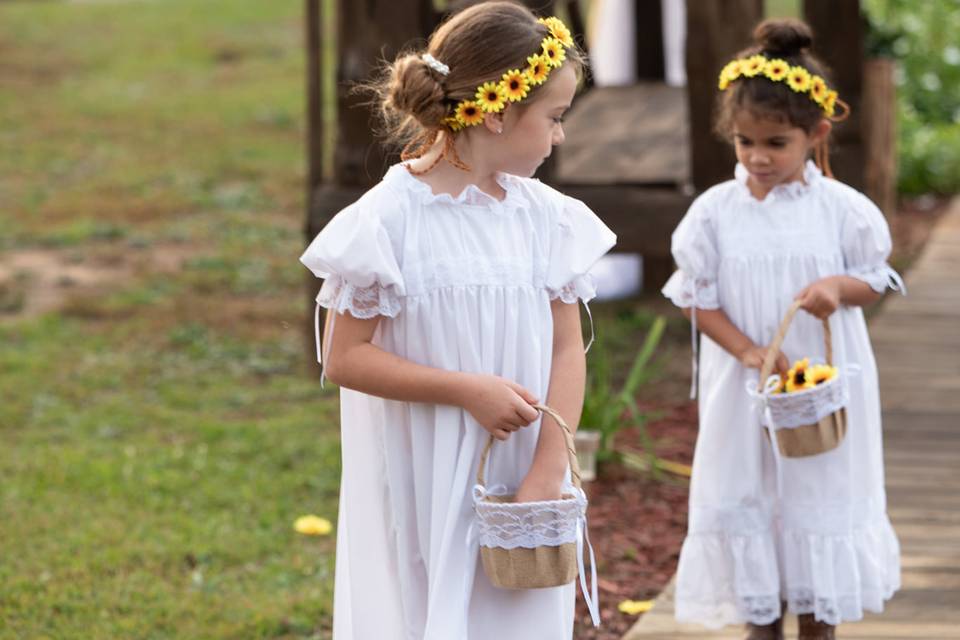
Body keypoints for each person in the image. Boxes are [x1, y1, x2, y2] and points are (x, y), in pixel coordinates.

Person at [300, 4, 615, 638]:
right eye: (553, 118)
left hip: (523, 468)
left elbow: (564, 349)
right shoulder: (389, 220)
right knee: (432, 605)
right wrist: (466, 389)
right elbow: (344, 357)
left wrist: (547, 471)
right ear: (497, 112)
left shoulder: (546, 218)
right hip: (427, 468)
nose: (559, 137)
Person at [662, 18, 903, 640]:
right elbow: (697, 297)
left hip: (824, 387)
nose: (758, 157)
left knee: (816, 491)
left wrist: (836, 289)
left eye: (775, 143)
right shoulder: (714, 214)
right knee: (748, 491)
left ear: (816, 134)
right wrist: (747, 352)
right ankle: (760, 620)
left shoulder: (843, 211)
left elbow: (876, 279)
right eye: (744, 143)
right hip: (748, 387)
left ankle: (818, 619)